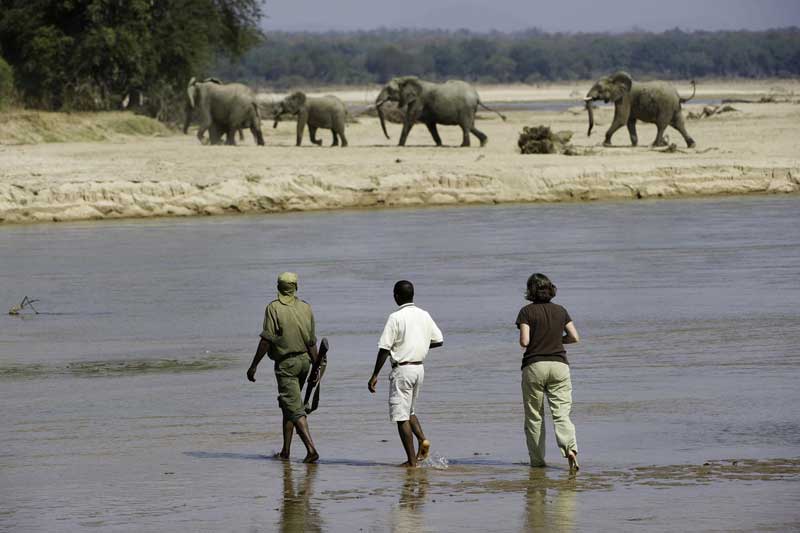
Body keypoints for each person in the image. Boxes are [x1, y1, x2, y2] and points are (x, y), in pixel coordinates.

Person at [368, 280, 443, 467]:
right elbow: (439, 340)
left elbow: (384, 348)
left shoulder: (395, 317)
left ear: (396, 296)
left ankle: (411, 462)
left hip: (402, 369)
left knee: (401, 417)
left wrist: (374, 374)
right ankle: (422, 440)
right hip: (419, 369)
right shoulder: (424, 315)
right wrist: (420, 345)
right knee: (409, 411)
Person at [248, 272, 320, 463]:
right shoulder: (306, 307)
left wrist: (254, 366)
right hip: (305, 362)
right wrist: (317, 367)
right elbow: (312, 342)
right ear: (296, 287)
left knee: (294, 409)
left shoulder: (273, 308)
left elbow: (266, 340)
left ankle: (311, 450)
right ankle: (286, 451)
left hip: (287, 365)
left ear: (279, 287)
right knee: (288, 406)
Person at [515, 273, 581, 471]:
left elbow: (524, 342)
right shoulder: (561, 311)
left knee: (534, 416)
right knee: (561, 413)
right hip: (559, 365)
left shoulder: (526, 312)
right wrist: (556, 340)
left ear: (530, 291)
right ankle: (570, 449)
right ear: (551, 289)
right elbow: (575, 337)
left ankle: (537, 461)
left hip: (535, 365)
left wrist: (538, 340)